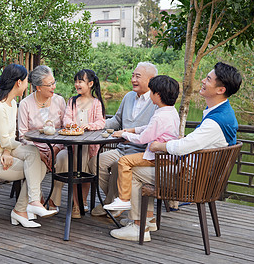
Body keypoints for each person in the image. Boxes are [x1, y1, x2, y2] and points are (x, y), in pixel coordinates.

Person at [110, 62, 242, 241]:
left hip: (192, 179)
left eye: (208, 79)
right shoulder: (222, 113)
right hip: (203, 176)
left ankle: (138, 226)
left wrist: (159, 146)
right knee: (140, 167)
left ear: (220, 90)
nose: (203, 80)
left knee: (133, 171)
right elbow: (192, 143)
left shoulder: (215, 121)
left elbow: (182, 148)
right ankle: (148, 219)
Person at [0, 64, 56, 228]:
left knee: (35, 155)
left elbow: (9, 137)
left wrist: (7, 151)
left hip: (3, 153)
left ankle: (26, 207)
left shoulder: (12, 104)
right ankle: (26, 207)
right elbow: (6, 140)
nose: (28, 84)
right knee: (37, 167)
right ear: (19, 82)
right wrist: (6, 149)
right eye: (27, 80)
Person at [89, 62, 158, 217]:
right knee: (94, 162)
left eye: (137, 76)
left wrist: (130, 136)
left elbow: (153, 131)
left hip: (141, 152)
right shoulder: (128, 97)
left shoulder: (156, 102)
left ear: (151, 79)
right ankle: (113, 200)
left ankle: (115, 202)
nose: (133, 79)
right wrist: (96, 124)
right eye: (133, 75)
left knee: (116, 166)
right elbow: (116, 121)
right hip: (122, 149)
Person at [103, 75, 180, 213]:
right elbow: (148, 128)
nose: (149, 94)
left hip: (156, 157)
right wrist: (132, 130)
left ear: (158, 95)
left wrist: (125, 134)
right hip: (164, 156)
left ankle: (124, 199)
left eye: (151, 92)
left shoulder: (159, 116)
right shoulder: (170, 112)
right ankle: (124, 200)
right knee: (124, 161)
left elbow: (142, 139)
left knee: (124, 162)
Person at [56, 69, 106, 218]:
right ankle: (76, 204)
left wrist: (88, 126)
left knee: (86, 167)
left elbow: (100, 122)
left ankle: (82, 201)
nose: (77, 84)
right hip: (73, 145)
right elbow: (66, 119)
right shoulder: (72, 101)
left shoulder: (96, 103)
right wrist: (72, 125)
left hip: (91, 146)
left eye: (81, 81)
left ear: (90, 84)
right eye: (76, 81)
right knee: (77, 166)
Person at [18, 65, 66, 212]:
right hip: (35, 150)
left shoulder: (59, 101)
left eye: (54, 82)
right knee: (35, 163)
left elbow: (66, 129)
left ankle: (54, 199)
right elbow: (22, 135)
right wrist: (39, 151)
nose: (54, 86)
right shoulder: (25, 104)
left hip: (58, 148)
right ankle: (37, 198)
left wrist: (57, 148)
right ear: (38, 87)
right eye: (49, 84)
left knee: (65, 159)